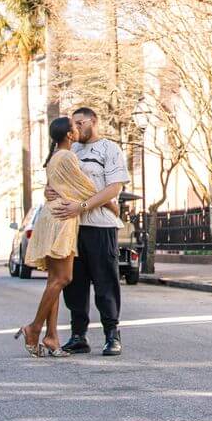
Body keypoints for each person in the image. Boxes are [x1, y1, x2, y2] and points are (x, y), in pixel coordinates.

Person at [14, 116, 119, 357]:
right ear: (69, 135)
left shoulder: (55, 157)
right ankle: (34, 328)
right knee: (63, 278)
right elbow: (85, 186)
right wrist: (111, 204)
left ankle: (51, 337)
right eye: (75, 126)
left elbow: (58, 186)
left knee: (55, 280)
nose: (78, 128)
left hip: (55, 217)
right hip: (62, 219)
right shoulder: (68, 156)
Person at [45, 106, 130, 357]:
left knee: (105, 282)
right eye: (73, 124)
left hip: (100, 225)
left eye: (80, 123)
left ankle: (112, 334)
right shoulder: (67, 150)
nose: (76, 128)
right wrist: (49, 192)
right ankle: (78, 335)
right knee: (75, 284)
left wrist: (81, 205)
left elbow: (114, 187)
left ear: (94, 121)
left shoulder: (109, 149)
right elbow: (54, 184)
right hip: (71, 227)